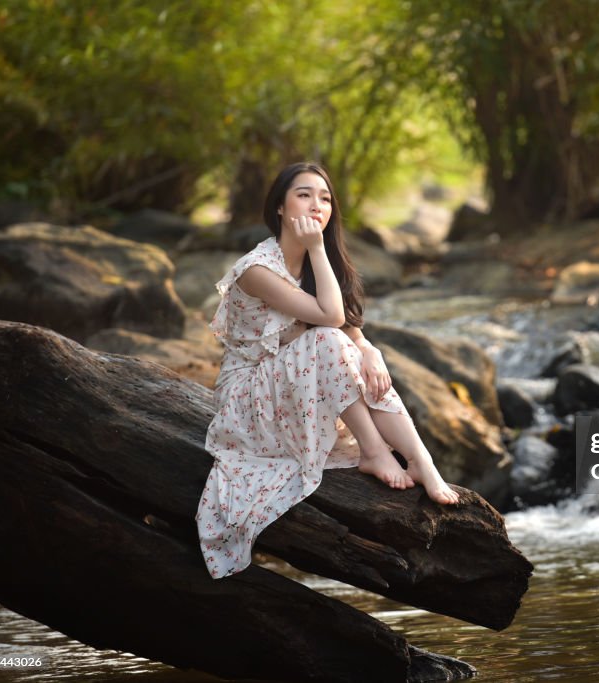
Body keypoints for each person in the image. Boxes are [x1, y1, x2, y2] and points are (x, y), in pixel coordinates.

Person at [196, 161, 459, 579]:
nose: (316, 205)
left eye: (324, 198)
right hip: (247, 398)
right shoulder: (257, 270)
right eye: (304, 194)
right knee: (326, 340)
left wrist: (370, 349)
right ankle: (374, 451)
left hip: (291, 385)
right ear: (280, 208)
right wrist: (318, 248)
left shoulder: (320, 264)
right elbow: (331, 318)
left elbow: (347, 329)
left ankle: (420, 460)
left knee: (352, 354)